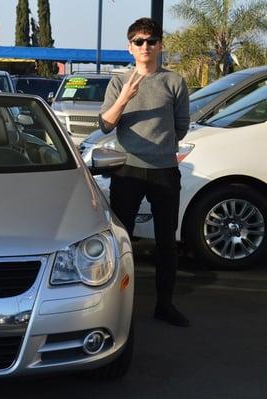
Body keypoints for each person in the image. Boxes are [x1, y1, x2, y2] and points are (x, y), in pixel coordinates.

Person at [99, 17, 190, 327]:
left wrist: (160, 147)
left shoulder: (174, 82)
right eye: (139, 41)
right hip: (128, 171)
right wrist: (126, 96)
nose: (145, 46)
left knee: (167, 242)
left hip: (164, 171)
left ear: (160, 46)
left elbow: (180, 127)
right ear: (130, 47)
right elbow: (105, 124)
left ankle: (165, 305)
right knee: (121, 243)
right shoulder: (117, 82)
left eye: (151, 41)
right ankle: (118, 308)